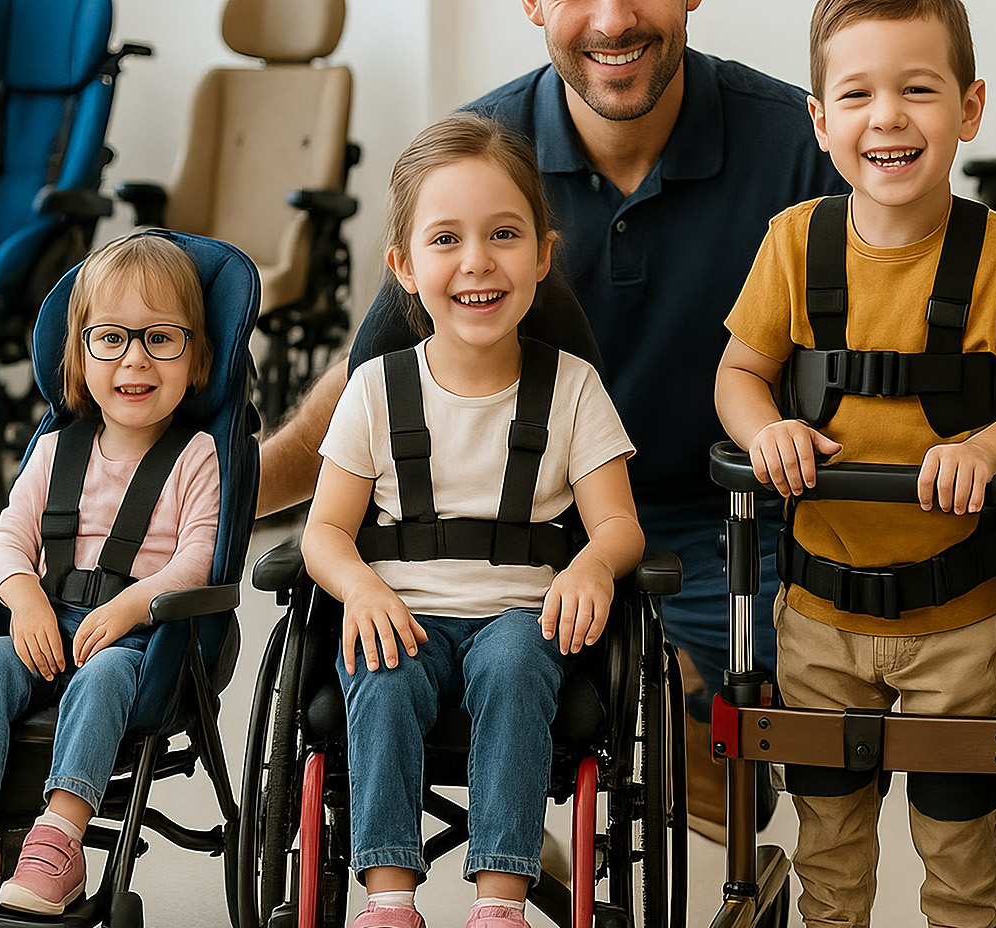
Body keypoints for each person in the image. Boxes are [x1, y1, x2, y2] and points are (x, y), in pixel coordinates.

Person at [257, 0, 846, 839]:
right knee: (530, 665)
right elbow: (368, 385)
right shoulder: (477, 155)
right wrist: (225, 486)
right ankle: (662, 730)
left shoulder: (800, 143)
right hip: (536, 526)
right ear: (533, 3)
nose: (612, 19)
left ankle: (685, 718)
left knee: (834, 678)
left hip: (738, 517)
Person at [715, 2, 996, 928]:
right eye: (858, 94)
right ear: (818, 120)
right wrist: (767, 432)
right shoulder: (794, 244)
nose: (888, 116)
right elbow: (738, 373)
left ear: (966, 109)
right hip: (819, 596)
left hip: (954, 602)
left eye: (917, 89)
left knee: (953, 786)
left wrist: (989, 442)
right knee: (826, 782)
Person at [302, 113, 642, 928]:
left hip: (519, 621)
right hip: (402, 615)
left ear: (541, 255)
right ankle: (386, 918)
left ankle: (500, 921)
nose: (478, 263)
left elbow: (618, 525)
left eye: (504, 235)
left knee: (518, 657)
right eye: (446, 239)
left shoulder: (571, 389)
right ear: (406, 268)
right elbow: (323, 531)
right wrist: (361, 587)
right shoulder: (376, 390)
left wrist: (593, 566)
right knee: (374, 669)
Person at [0, 233, 221, 917]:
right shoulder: (55, 450)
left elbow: (200, 557)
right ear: (79, 356)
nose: (135, 359)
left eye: (160, 339)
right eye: (111, 339)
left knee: (106, 674)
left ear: (196, 357)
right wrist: (23, 601)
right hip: (48, 623)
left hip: (142, 643)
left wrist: (132, 608)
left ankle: (61, 835)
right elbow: (7, 540)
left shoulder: (197, 456)